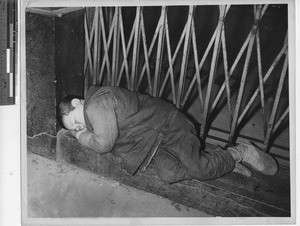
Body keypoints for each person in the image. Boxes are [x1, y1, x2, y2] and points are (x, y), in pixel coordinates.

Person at [58, 85, 278, 184]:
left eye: (75, 121)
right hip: (155, 143)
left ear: (77, 102)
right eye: (76, 128)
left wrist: (78, 137)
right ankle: (222, 160)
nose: (80, 127)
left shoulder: (95, 104)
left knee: (199, 169)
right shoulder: (95, 111)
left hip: (170, 126)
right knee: (169, 174)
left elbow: (104, 144)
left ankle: (240, 152)